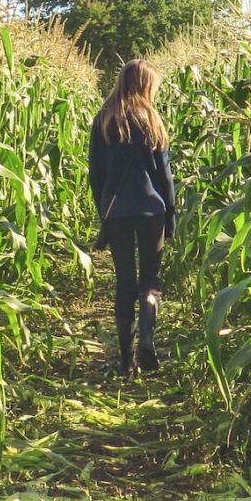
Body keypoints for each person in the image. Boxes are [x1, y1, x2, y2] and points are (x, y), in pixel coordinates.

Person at [88, 59, 177, 375]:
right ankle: (147, 342)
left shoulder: (103, 121)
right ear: (145, 86)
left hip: (118, 213)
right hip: (152, 210)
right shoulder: (151, 120)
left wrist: (104, 215)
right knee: (149, 282)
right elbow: (164, 177)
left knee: (125, 282)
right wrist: (171, 217)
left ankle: (126, 362)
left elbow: (95, 175)